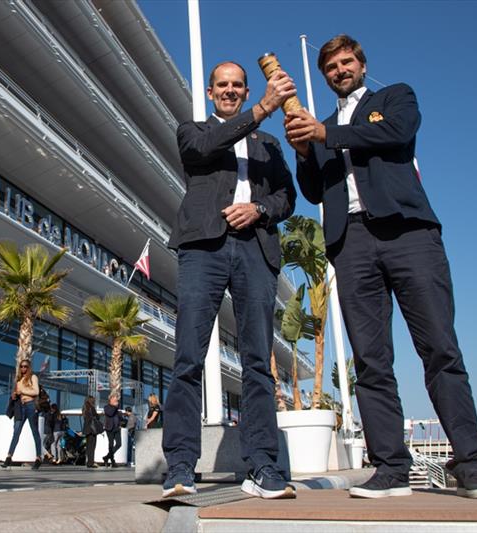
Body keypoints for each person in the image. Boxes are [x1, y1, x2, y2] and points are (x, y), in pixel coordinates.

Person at [284, 34, 477, 500]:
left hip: (409, 233)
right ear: (325, 76)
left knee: (441, 349)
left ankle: (472, 466)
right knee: (370, 360)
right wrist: (305, 153)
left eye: (347, 62)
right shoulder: (320, 128)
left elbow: (394, 135)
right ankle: (390, 469)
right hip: (352, 242)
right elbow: (314, 191)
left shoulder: (394, 98)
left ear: (362, 65)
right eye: (331, 67)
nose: (340, 71)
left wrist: (326, 136)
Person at [161, 61, 297, 500]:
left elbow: (286, 196)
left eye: (238, 86)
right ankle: (181, 465)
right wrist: (259, 110)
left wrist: (259, 210)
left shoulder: (269, 144)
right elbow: (202, 151)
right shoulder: (193, 130)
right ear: (209, 91)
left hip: (255, 248)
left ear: (244, 88)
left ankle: (263, 466)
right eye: (223, 85)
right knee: (188, 356)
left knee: (258, 362)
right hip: (204, 247)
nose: (230, 91)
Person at [1, 359, 42, 470]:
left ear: (29, 368)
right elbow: (17, 392)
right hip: (20, 406)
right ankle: (9, 457)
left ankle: (38, 457)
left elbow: (36, 392)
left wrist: (23, 391)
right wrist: (14, 395)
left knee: (35, 432)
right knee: (16, 431)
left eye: (25, 367)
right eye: (21, 366)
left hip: (31, 405)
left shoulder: (33, 377)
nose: (23, 369)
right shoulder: (18, 379)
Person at [102, 395, 123, 467]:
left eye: (116, 400)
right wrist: (115, 406)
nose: (116, 401)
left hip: (117, 428)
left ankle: (107, 457)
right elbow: (110, 413)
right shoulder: (106, 407)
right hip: (109, 428)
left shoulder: (117, 408)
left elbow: (119, 417)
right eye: (114, 400)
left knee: (119, 444)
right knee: (110, 444)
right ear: (110, 399)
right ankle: (112, 461)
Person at [82, 395, 99, 468]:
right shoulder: (92, 408)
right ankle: (91, 462)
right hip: (92, 430)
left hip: (87, 429)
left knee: (88, 446)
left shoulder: (84, 408)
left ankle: (89, 461)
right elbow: (96, 417)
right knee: (92, 446)